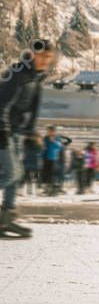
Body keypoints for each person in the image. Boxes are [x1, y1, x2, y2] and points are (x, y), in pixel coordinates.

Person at [0, 39, 56, 237]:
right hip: (3, 130)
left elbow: (33, 108)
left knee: (17, 174)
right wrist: (3, 132)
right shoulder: (17, 74)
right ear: (32, 54)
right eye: (42, 57)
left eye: (48, 58)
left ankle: (5, 220)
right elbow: (2, 104)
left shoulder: (36, 77)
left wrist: (31, 132)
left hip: (15, 132)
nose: (45, 61)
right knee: (12, 173)